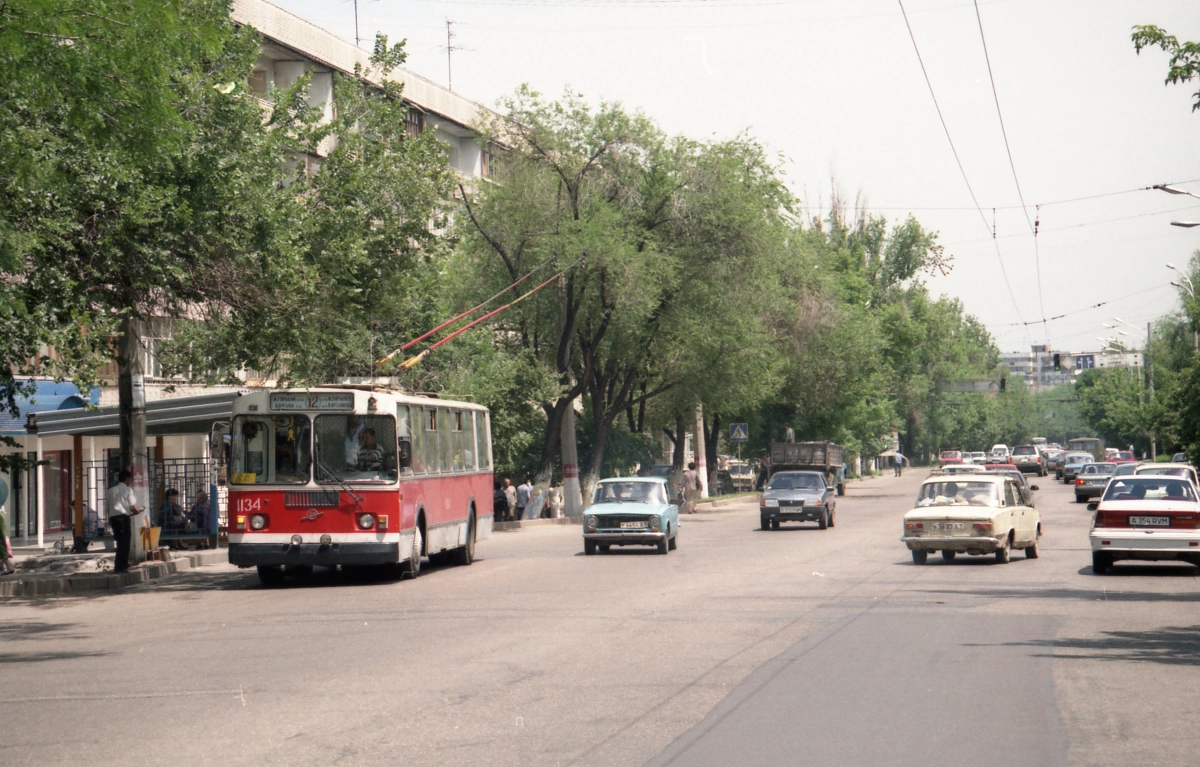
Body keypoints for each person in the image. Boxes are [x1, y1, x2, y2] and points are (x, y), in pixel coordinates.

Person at [105, 470, 144, 573]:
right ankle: (121, 567)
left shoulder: (111, 490)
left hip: (113, 519)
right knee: (125, 543)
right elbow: (132, 507)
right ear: (127, 479)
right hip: (123, 518)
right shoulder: (127, 490)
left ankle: (119, 566)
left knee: (119, 543)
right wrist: (138, 511)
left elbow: (107, 506)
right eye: (129, 479)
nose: (130, 481)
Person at [0, 508, 13, 575]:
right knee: (3, 556)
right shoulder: (2, 517)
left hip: (1, 540)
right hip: (2, 539)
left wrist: (3, 539)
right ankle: (9, 567)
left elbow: (1, 530)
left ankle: (9, 568)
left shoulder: (0, 517)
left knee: (3, 555)